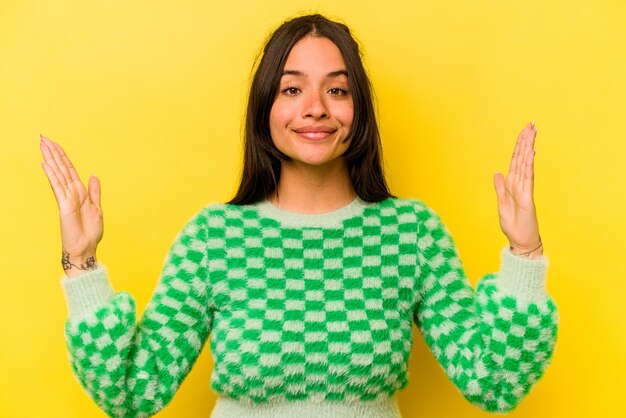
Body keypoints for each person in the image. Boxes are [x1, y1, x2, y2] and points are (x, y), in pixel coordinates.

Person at [40, 13, 558, 418]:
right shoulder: (213, 239)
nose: (316, 107)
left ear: (359, 109)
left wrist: (524, 255)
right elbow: (132, 393)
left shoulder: (411, 235)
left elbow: (496, 383)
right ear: (266, 106)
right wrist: (81, 263)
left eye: (337, 89)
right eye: (292, 89)